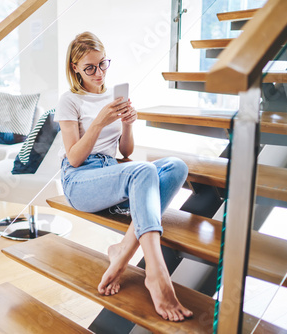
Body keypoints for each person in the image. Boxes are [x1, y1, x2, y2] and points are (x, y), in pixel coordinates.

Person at [54, 31, 193, 322]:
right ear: (75, 68)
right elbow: (75, 158)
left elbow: (126, 152)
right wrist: (100, 122)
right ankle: (156, 274)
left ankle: (123, 249)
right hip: (79, 180)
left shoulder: (113, 96)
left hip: (111, 170)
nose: (98, 72)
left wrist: (129, 125)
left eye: (103, 64)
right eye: (89, 67)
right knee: (142, 170)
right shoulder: (69, 100)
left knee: (176, 166)